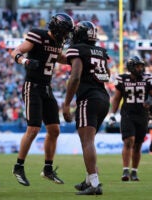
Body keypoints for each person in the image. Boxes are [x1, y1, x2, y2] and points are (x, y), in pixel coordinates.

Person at [11, 13, 74, 186]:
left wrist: (75, 60)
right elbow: (16, 51)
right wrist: (24, 61)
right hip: (33, 86)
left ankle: (47, 169)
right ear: (57, 28)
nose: (67, 35)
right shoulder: (38, 35)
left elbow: (58, 57)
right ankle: (18, 166)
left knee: (54, 130)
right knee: (33, 129)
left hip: (47, 88)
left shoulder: (57, 42)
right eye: (65, 31)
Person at [63, 21, 110, 195]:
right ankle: (89, 180)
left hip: (88, 98)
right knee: (89, 141)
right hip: (103, 98)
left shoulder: (78, 50)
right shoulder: (102, 52)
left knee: (87, 142)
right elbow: (106, 75)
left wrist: (67, 103)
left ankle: (94, 184)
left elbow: (75, 77)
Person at [108, 56, 152, 181]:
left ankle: (134, 171)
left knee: (138, 145)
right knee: (129, 140)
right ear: (131, 67)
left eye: (141, 66)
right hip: (128, 114)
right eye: (138, 66)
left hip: (143, 115)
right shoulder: (122, 79)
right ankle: (125, 171)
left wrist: (149, 100)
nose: (140, 68)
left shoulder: (147, 78)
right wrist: (112, 114)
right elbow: (117, 98)